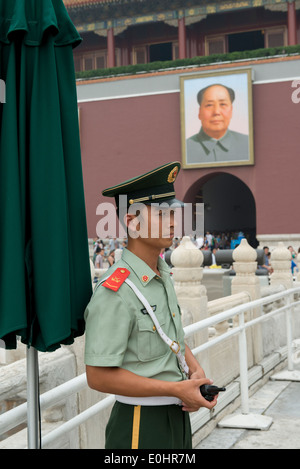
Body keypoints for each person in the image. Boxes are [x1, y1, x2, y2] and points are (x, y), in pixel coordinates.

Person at [84, 162, 218, 449]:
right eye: (162, 214)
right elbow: (97, 375)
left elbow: (170, 337)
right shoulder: (116, 290)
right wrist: (175, 389)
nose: (173, 221)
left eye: (173, 213)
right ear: (133, 222)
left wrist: (195, 374)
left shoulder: (161, 273)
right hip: (140, 423)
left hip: (177, 415)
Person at [186, 84, 249, 164]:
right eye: (209, 105)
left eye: (223, 104)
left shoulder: (248, 144)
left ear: (231, 110)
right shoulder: (186, 148)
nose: (216, 112)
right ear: (199, 112)